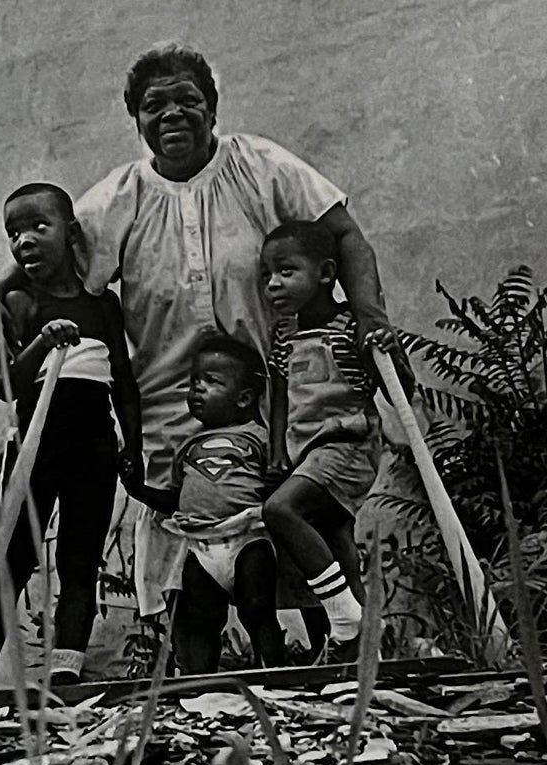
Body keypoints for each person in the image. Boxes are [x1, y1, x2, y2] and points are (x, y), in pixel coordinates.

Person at [65, 44, 389, 674]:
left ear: (212, 107)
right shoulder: (118, 199)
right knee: (196, 585)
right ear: (135, 120)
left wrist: (371, 326)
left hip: (283, 406)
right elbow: (58, 272)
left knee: (299, 539)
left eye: (188, 99)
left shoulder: (258, 166)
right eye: (154, 105)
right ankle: (204, 699)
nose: (173, 115)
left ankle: (337, 674)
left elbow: (343, 234)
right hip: (176, 415)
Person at [0, 180, 140, 681]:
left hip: (94, 447)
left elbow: (124, 384)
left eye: (38, 227)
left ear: (71, 234)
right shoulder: (20, 302)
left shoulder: (102, 305)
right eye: (13, 233)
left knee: (80, 558)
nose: (24, 241)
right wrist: (42, 343)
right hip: (34, 447)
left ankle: (66, 668)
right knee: (14, 555)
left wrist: (135, 445)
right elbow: (9, 385)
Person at [136, 329, 290, 674]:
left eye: (211, 381)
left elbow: (278, 482)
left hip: (248, 537)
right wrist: (135, 485)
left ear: (244, 397)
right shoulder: (188, 447)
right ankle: (200, 683)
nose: (197, 389)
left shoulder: (260, 438)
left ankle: (277, 677)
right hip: (201, 546)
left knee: (258, 610)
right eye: (193, 382)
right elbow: (174, 499)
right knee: (200, 617)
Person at [255, 216, 378, 649]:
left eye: (286, 272)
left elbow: (395, 385)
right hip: (304, 452)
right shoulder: (284, 334)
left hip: (346, 443)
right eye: (267, 275)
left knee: (280, 511)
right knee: (335, 536)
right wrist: (276, 454)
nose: (273, 284)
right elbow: (280, 396)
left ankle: (343, 617)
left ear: (326, 273)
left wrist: (384, 348)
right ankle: (363, 650)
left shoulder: (349, 328)